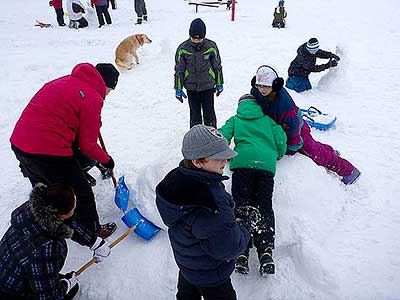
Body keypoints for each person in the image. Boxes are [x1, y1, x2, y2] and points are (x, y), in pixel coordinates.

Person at [10, 62, 120, 239]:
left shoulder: (64, 81)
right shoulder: (93, 97)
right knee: (81, 192)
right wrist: (107, 160)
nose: (108, 94)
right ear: (106, 84)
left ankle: (48, 223)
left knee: (46, 189)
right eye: (110, 90)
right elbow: (87, 145)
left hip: (20, 143)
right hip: (48, 151)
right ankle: (91, 230)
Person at [156, 125, 260, 300]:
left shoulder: (176, 180)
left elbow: (203, 227)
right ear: (197, 161)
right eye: (218, 158)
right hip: (212, 275)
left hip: (188, 266)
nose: (225, 161)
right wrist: (244, 226)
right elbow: (228, 248)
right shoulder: (210, 202)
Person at [250, 65, 361, 185]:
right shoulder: (256, 92)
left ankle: (349, 171)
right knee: (315, 147)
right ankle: (330, 151)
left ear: (275, 84)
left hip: (297, 130)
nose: (262, 90)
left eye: (266, 86)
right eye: (259, 85)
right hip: (279, 128)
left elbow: (293, 130)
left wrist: (292, 148)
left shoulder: (285, 106)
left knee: (314, 152)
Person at [0, 183, 111, 300]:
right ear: (62, 215)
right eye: (73, 208)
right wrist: (66, 285)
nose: (75, 209)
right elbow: (50, 297)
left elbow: (66, 223)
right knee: (69, 291)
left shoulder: (35, 208)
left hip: (8, 271)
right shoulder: (46, 248)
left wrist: (95, 242)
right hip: (10, 291)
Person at [219, 94, 287, 275]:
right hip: (265, 166)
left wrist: (220, 154)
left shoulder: (235, 119)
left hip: (242, 166)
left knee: (241, 206)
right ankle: (265, 252)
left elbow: (222, 136)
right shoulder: (267, 120)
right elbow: (281, 138)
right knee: (264, 205)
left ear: (240, 106)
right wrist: (278, 153)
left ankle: (242, 251)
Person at [174, 18, 224, 129]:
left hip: (208, 86)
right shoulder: (183, 49)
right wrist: (178, 88)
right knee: (195, 114)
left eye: (199, 39)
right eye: (193, 38)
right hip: (192, 88)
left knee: (209, 113)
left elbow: (217, 67)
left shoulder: (211, 47)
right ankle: (196, 137)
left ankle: (212, 135)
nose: (196, 41)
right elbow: (179, 70)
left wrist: (219, 83)